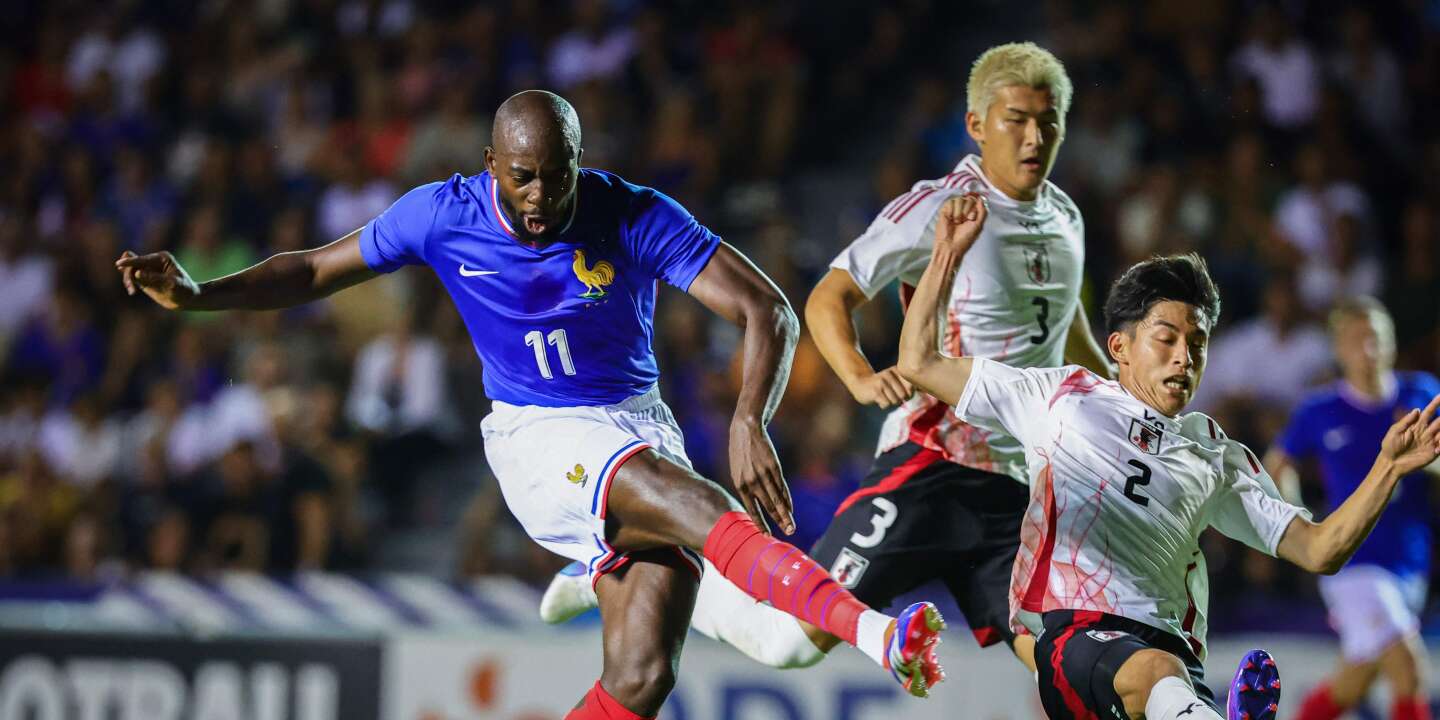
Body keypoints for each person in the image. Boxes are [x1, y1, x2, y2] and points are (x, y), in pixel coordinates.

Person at [115, 90, 947, 717]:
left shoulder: (629, 213)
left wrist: (746, 418)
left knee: (642, 678)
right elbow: (311, 271)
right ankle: (883, 638)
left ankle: (596, 565)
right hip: (537, 438)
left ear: (580, 160)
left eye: (558, 175)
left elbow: (765, 308)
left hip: (636, 420)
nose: (542, 195)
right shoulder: (444, 215)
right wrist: (198, 296)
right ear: (490, 164)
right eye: (522, 177)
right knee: (704, 507)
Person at [540, 40, 1111, 673]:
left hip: (1017, 490)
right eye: (1018, 120)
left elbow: (1068, 334)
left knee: (1068, 670)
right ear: (977, 126)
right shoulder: (938, 208)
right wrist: (861, 378)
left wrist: (1125, 411)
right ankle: (614, 568)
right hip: (932, 466)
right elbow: (827, 298)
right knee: (788, 645)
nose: (1035, 137)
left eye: (1048, 120)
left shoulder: (1066, 218)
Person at [895, 193, 1440, 720]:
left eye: (1198, 343)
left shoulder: (1215, 456)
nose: (1185, 357)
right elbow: (919, 361)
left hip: (1175, 667)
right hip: (1077, 640)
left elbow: (1320, 549)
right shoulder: (1061, 398)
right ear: (1120, 347)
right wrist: (945, 252)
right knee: (1158, 675)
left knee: (1167, 680)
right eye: (1167, 338)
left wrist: (1387, 468)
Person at [1267, 297, 1440, 720]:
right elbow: (1279, 462)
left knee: (1354, 680)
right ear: (1338, 350)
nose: (1368, 350)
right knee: (1409, 668)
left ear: (1392, 344)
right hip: (1352, 563)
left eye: (1376, 339)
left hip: (1411, 561)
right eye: (1356, 340)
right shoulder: (1320, 409)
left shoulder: (1422, 394)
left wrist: (1426, 457)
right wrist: (1300, 518)